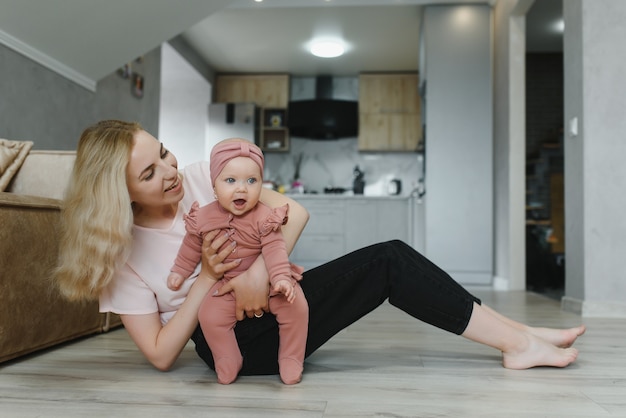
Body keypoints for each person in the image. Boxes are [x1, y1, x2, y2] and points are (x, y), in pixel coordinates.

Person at [55, 120, 584, 383]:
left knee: (390, 260)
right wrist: (205, 279)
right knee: (388, 262)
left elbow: (295, 212)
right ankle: (518, 343)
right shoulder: (121, 254)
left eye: (164, 153)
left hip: (275, 301)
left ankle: (520, 336)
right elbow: (160, 355)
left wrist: (262, 269)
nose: (171, 172)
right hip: (225, 341)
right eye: (149, 173)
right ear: (119, 193)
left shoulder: (202, 176)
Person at [167, 138, 308, 384]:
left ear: (262, 185)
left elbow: (275, 249)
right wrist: (180, 271)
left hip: (271, 281)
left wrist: (281, 279)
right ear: (214, 187)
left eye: (251, 181)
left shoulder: (265, 216)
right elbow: (191, 246)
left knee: (297, 307)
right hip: (228, 285)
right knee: (209, 316)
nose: (241, 188)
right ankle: (227, 358)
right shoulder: (204, 216)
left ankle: (291, 357)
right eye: (230, 181)